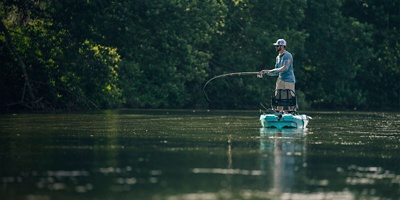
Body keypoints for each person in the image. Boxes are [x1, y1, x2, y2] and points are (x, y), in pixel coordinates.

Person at [258, 39, 296, 111]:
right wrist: (265, 72)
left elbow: (285, 68)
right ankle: (279, 114)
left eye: (277, 46)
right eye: (276, 46)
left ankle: (291, 113)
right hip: (280, 80)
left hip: (289, 80)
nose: (276, 47)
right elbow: (276, 72)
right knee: (278, 99)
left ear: (282, 46)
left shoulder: (288, 55)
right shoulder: (278, 57)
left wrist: (271, 70)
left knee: (290, 100)